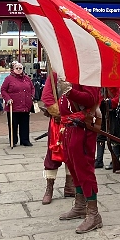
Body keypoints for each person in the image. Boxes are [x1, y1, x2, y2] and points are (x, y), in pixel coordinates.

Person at [53, 78, 104, 233]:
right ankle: (80, 205)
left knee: (84, 169)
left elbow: (91, 98)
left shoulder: (87, 72)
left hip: (82, 127)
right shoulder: (69, 71)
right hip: (69, 126)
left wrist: (70, 92)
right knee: (73, 167)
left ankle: (93, 213)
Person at [40, 71, 76, 205]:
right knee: (53, 155)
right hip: (57, 122)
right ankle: (49, 189)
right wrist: (59, 112)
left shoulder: (77, 73)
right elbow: (47, 96)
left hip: (74, 120)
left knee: (71, 153)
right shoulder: (56, 74)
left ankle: (70, 186)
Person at [1, 62, 35, 147]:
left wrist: (31, 96)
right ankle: (13, 140)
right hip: (13, 105)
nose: (19, 70)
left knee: (25, 123)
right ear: (13, 69)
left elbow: (32, 88)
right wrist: (8, 99)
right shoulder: (9, 79)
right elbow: (3, 90)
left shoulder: (27, 78)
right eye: (17, 68)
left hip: (25, 105)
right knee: (13, 124)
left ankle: (25, 140)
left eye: (20, 68)